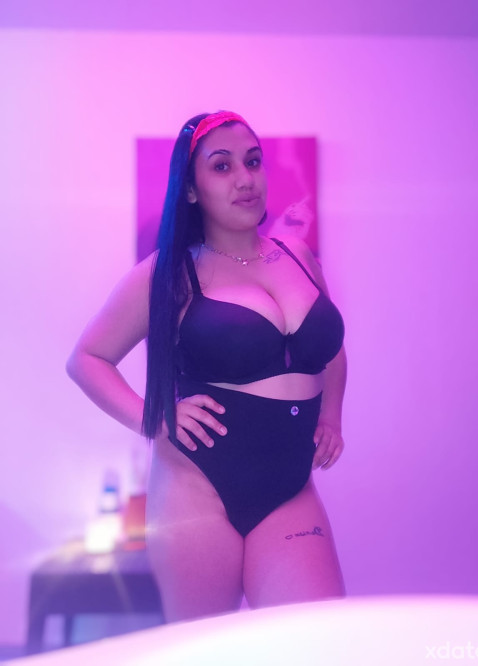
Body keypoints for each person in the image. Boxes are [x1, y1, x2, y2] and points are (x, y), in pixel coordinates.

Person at [67, 110, 347, 623]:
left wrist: (332, 414)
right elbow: (87, 359)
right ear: (192, 190)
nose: (245, 178)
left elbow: (330, 349)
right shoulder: (170, 272)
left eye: (253, 161)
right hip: (197, 488)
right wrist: (152, 417)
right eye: (222, 166)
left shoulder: (298, 256)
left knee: (319, 641)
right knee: (202, 650)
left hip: (290, 487)